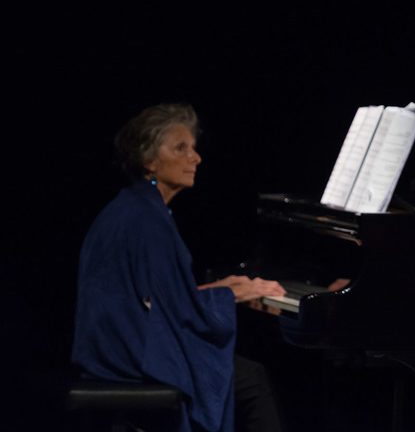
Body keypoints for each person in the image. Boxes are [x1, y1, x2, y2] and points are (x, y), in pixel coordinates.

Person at [72, 103, 287, 432]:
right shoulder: (148, 220)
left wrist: (223, 288)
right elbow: (173, 308)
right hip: (130, 352)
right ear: (149, 160)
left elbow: (162, 297)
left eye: (194, 148)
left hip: (112, 344)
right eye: (180, 148)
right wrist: (231, 295)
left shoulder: (136, 206)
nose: (195, 157)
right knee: (251, 379)